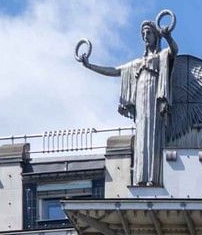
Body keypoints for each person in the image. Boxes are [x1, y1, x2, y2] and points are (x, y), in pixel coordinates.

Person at [76, 11, 178, 187]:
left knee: (153, 134)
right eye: (143, 34)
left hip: (154, 99)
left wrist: (168, 36)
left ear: (156, 36)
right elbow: (114, 71)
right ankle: (141, 177)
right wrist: (89, 65)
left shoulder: (161, 57)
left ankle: (153, 178)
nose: (145, 37)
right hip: (141, 101)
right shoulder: (136, 64)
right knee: (142, 136)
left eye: (149, 33)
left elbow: (174, 51)